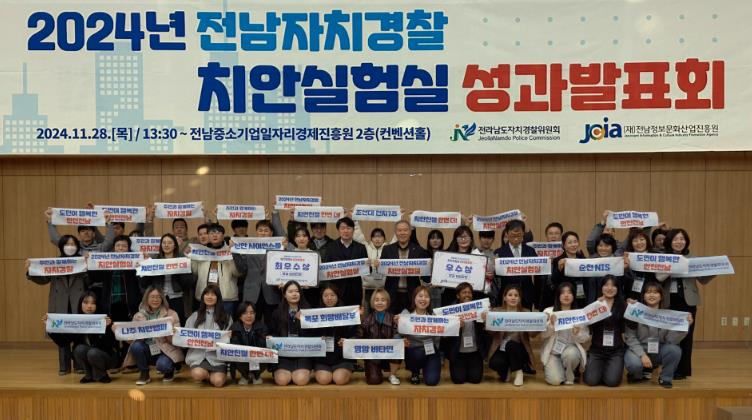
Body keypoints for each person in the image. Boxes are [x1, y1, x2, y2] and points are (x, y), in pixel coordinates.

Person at [27, 235, 91, 375]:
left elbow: (89, 282)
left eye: (73, 244)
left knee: (79, 334)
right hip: (60, 303)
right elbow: (43, 279)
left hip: (78, 303)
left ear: (77, 246)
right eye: (67, 244)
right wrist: (31, 270)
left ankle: (79, 365)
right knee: (61, 335)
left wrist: (88, 266)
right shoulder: (54, 262)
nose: (70, 247)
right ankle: (64, 366)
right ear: (62, 246)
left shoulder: (82, 261)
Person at [657, 228, 714, 380]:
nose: (679, 242)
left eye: (682, 239)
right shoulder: (663, 257)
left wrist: (715, 270)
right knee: (670, 337)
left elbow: (703, 280)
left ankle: (683, 370)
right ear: (670, 241)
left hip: (688, 302)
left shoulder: (693, 258)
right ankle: (669, 368)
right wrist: (673, 265)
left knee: (686, 337)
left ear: (686, 241)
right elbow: (659, 278)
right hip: (669, 302)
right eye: (675, 239)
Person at [624, 282, 692, 388]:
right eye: (648, 292)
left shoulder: (668, 315)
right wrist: (642, 355)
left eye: (655, 292)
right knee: (634, 364)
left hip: (658, 350)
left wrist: (684, 326)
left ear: (661, 296)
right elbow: (630, 337)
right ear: (643, 296)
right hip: (638, 350)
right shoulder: (636, 311)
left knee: (674, 350)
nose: (651, 295)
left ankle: (665, 378)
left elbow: (670, 340)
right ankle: (637, 374)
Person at [122, 286, 184, 385]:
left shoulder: (171, 314)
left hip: (166, 350)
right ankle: (144, 373)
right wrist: (121, 333)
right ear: (146, 298)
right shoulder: (138, 315)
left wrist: (172, 333)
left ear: (162, 299)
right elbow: (131, 340)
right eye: (152, 297)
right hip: (148, 349)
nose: (155, 300)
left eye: (158, 297)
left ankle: (169, 371)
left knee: (163, 366)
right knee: (136, 346)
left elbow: (179, 339)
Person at [233, 217, 286, 325]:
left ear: (271, 233)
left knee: (271, 324)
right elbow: (242, 269)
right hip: (252, 292)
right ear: (256, 232)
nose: (263, 233)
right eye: (260, 230)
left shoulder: (278, 248)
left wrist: (284, 248)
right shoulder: (249, 247)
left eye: (266, 230)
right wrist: (234, 251)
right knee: (251, 324)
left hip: (272, 292)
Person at [486, 285, 536, 386]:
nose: (513, 298)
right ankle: (507, 369)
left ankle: (519, 371)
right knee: (494, 363)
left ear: (520, 299)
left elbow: (532, 335)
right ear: (504, 298)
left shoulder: (526, 312)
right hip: (501, 348)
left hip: (519, 349)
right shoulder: (496, 311)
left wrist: (539, 324)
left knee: (511, 344)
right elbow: (490, 333)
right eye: (510, 295)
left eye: (516, 295)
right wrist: (486, 321)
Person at [541, 283, 590, 385]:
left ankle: (570, 375)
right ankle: (559, 370)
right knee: (555, 381)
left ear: (574, 295)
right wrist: (551, 326)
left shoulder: (579, 314)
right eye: (563, 293)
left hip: (570, 350)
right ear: (558, 296)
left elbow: (585, 338)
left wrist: (577, 334)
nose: (566, 295)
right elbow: (542, 335)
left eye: (569, 292)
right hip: (553, 352)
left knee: (571, 354)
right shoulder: (549, 311)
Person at [139, 233, 192, 326]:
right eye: (164, 243)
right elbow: (144, 283)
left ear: (175, 245)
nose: (166, 245)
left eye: (169, 243)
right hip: (158, 298)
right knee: (159, 325)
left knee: (176, 324)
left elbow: (188, 284)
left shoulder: (182, 259)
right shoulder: (154, 259)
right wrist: (145, 266)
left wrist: (183, 268)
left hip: (176, 297)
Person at [379, 220, 430, 313]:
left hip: (413, 294)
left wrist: (428, 268)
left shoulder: (418, 250)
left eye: (405, 230)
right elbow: (381, 271)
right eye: (399, 230)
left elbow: (425, 277)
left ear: (410, 232)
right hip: (392, 293)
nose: (402, 233)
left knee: (411, 321)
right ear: (395, 232)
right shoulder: (387, 249)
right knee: (391, 320)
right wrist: (377, 265)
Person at [308, 285, 356, 385]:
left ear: (338, 296)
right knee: (324, 380)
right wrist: (317, 339)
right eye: (325, 295)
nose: (329, 298)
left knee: (339, 379)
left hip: (342, 357)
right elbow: (309, 336)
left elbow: (355, 334)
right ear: (322, 298)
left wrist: (348, 341)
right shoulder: (314, 314)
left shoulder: (347, 313)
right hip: (322, 357)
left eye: (332, 295)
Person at [186, 285, 232, 387]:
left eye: (213, 294)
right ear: (203, 297)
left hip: (217, 358)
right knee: (198, 374)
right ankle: (206, 375)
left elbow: (228, 342)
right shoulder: (194, 316)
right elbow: (185, 337)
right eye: (207, 294)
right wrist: (177, 333)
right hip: (199, 357)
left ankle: (214, 375)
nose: (209, 297)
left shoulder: (226, 317)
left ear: (218, 298)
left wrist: (229, 336)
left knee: (218, 382)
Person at [190, 223, 242, 316]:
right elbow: (195, 271)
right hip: (205, 297)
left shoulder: (230, 250)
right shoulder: (201, 251)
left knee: (225, 323)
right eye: (211, 233)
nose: (214, 235)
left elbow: (237, 273)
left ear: (223, 235)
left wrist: (233, 254)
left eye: (217, 233)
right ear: (208, 236)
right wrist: (191, 256)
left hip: (225, 298)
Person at [584, 275, 626, 387]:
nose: (610, 288)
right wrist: (596, 307)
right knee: (591, 381)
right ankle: (598, 367)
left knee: (612, 382)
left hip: (615, 351)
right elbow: (589, 326)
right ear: (601, 287)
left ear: (618, 288)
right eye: (606, 285)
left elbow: (631, 325)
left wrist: (633, 306)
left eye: (613, 285)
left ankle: (608, 369)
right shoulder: (595, 304)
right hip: (597, 350)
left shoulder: (622, 304)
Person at [268, 281, 312, 386]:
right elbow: (272, 331)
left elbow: (313, 334)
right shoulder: (277, 312)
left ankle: (302, 371)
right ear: (284, 294)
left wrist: (302, 321)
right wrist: (271, 338)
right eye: (290, 291)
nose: (294, 294)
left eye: (297, 291)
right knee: (282, 380)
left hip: (302, 354)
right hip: (283, 354)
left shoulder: (308, 311)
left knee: (301, 380)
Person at [356, 288, 402, 385]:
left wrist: (399, 328)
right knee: (374, 380)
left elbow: (397, 334)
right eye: (376, 300)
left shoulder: (393, 318)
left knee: (399, 343)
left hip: (389, 355)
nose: (380, 302)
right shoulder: (367, 319)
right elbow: (359, 336)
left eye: (383, 300)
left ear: (387, 302)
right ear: (372, 302)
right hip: (373, 356)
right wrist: (359, 319)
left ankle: (392, 374)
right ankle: (375, 370)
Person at [397, 286, 441, 386]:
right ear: (414, 298)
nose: (423, 299)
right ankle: (415, 371)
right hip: (413, 352)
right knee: (417, 352)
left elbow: (442, 335)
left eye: (426, 296)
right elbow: (400, 334)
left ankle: (427, 368)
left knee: (432, 381)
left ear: (430, 300)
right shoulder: (406, 314)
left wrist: (456, 325)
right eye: (420, 296)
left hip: (430, 351)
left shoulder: (435, 316)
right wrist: (398, 324)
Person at [443, 283, 485, 384]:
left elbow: (485, 332)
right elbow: (444, 336)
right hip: (458, 353)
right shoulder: (450, 311)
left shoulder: (479, 309)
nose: (467, 295)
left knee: (475, 379)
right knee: (458, 380)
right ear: (458, 295)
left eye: (469, 292)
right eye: (464, 292)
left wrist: (485, 321)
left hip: (474, 352)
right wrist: (454, 327)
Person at [492, 220, 540, 309]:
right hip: (507, 295)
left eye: (519, 235)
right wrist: (494, 267)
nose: (516, 238)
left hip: (526, 295)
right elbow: (495, 277)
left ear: (523, 234)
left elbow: (538, 271)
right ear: (507, 234)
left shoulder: (530, 251)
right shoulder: (499, 252)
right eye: (513, 235)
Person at [72, 291, 118, 383]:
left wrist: (107, 328)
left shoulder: (105, 319)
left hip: (107, 357)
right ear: (80, 304)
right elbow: (64, 341)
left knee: (92, 352)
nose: (89, 306)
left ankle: (101, 375)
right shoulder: (75, 321)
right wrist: (50, 326)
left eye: (93, 303)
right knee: (79, 349)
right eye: (86, 303)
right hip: (90, 354)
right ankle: (89, 375)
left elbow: (111, 345)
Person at [323, 217, 369, 307]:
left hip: (355, 291)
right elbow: (326, 269)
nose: (346, 231)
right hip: (336, 291)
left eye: (349, 228)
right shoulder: (331, 247)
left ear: (353, 230)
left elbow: (368, 270)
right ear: (338, 230)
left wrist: (368, 265)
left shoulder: (361, 247)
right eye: (343, 228)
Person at [230, 301, 267, 385]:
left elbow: (264, 346)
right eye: (245, 313)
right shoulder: (234, 328)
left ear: (255, 314)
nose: (249, 316)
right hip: (242, 359)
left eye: (252, 313)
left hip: (257, 358)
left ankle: (256, 375)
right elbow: (234, 348)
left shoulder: (262, 327)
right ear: (240, 316)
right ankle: (245, 376)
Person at [550, 231, 589, 308]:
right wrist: (559, 269)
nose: (573, 245)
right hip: (565, 296)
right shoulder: (558, 260)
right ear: (564, 245)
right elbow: (554, 281)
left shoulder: (583, 259)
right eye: (570, 242)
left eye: (575, 242)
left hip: (581, 296)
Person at [622, 229, 656, 301]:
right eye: (635, 241)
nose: (639, 243)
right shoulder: (626, 257)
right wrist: (625, 269)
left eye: (642, 239)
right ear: (631, 243)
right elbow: (623, 280)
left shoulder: (656, 256)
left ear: (647, 241)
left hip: (651, 295)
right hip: (631, 296)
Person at [425, 230, 445, 309]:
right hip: (426, 289)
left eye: (438, 238)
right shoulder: (423, 253)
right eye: (432, 238)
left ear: (442, 240)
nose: (435, 241)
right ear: (428, 240)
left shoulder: (447, 255)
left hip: (443, 291)